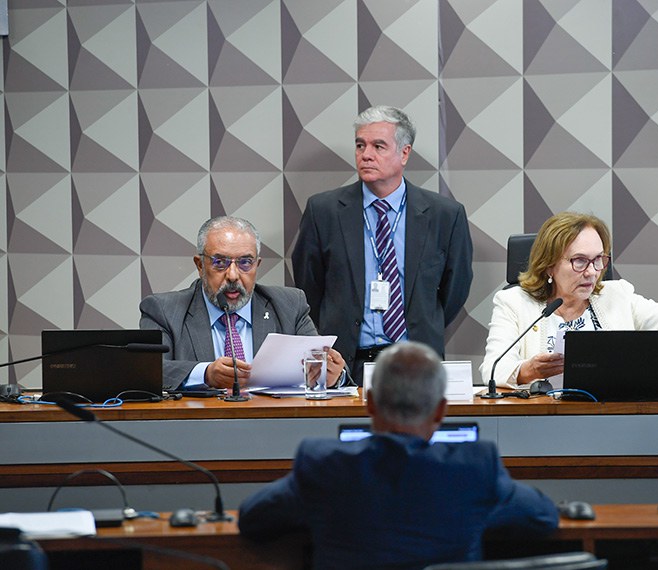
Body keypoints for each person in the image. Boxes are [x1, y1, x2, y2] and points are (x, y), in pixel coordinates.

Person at [238, 341, 558, 569]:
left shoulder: (323, 463)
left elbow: (252, 519)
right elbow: (544, 517)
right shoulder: (475, 466)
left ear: (371, 404)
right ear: (440, 411)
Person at [291, 105, 473, 384]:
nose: (366, 155)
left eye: (378, 146)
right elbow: (309, 286)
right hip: (345, 364)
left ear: (404, 153)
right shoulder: (324, 211)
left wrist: (422, 320)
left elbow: (454, 290)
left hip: (417, 362)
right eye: (360, 145)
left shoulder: (444, 215)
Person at [481, 212, 658, 388]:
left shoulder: (617, 296)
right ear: (550, 265)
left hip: (608, 419)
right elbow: (493, 370)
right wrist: (528, 371)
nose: (592, 271)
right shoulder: (514, 303)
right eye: (579, 261)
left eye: (598, 260)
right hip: (539, 424)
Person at [140, 216, 346, 391]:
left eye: (245, 263)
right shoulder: (164, 310)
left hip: (274, 428)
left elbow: (320, 362)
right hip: (197, 429)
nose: (232, 275)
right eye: (220, 263)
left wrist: (334, 376)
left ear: (257, 265)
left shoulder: (289, 306)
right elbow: (148, 371)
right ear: (200, 265)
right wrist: (206, 374)